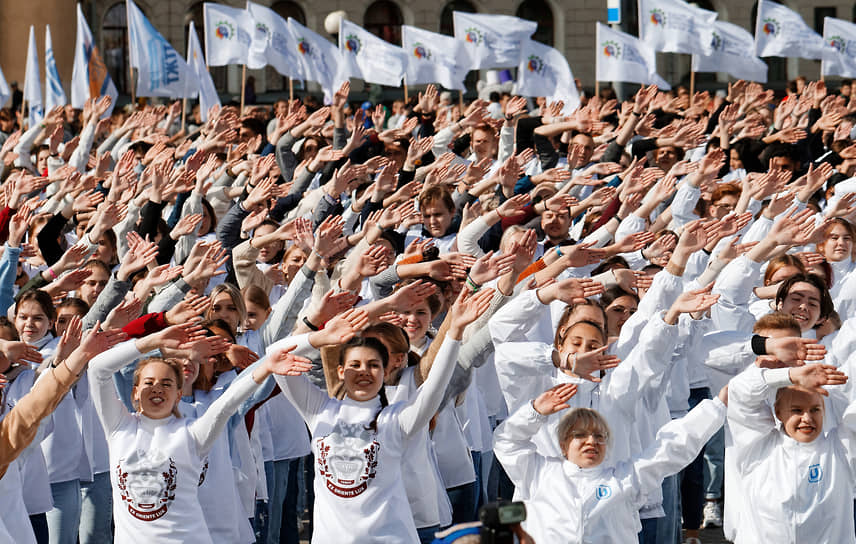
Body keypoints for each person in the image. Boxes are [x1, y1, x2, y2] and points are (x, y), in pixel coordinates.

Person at [494, 382, 727, 543]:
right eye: (580, 435)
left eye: (599, 436)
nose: (591, 442)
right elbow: (506, 441)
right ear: (564, 445)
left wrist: (716, 407)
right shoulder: (539, 472)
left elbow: (669, 449)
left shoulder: (625, 479)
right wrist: (534, 412)